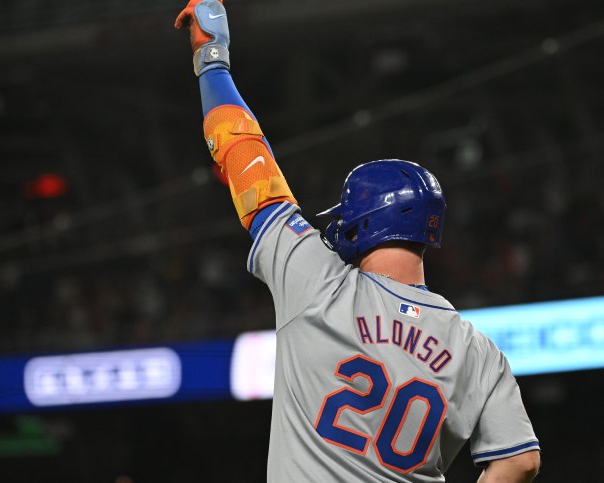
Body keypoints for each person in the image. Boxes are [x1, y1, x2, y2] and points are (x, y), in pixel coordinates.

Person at [175, 1, 541, 481]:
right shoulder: (477, 351)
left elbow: (245, 154)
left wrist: (212, 59)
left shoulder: (319, 283)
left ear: (364, 224)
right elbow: (520, 460)